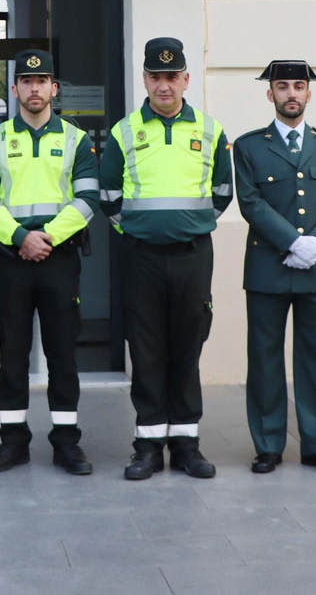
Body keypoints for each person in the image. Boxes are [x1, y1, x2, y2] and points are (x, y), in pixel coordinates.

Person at [100, 36, 232, 480]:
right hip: (141, 257)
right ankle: (149, 446)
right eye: (156, 77)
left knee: (188, 347)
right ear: (144, 79)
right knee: (148, 348)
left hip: (193, 256)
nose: (164, 86)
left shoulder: (210, 131)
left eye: (172, 77)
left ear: (186, 80)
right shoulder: (123, 131)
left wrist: (186, 227)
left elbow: (222, 194)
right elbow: (109, 198)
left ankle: (187, 445)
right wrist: (144, 230)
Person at [0, 49, 98, 475]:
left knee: (63, 352)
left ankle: (67, 442)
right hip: (10, 259)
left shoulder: (76, 139)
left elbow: (87, 199)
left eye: (41, 81)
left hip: (59, 259)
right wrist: (21, 237)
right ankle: (13, 443)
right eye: (26, 82)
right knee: (12, 353)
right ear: (15, 90)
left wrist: (47, 239)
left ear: (54, 89)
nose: (34, 88)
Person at [234, 60, 316, 476]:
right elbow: (251, 202)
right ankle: (268, 444)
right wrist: (292, 241)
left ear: (309, 94)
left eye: (298, 86)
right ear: (270, 95)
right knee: (265, 360)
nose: (291, 94)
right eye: (282, 87)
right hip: (269, 266)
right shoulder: (249, 146)